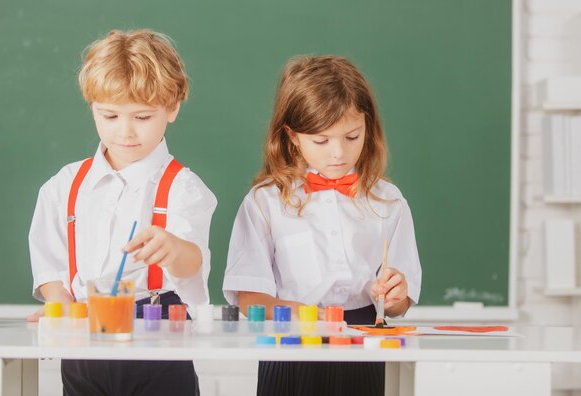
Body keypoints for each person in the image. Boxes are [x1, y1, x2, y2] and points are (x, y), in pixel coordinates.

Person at [28, 29, 216, 395]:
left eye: (143, 117)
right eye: (110, 115)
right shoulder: (65, 185)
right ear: (92, 107)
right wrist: (59, 303)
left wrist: (173, 249)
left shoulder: (182, 187)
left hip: (158, 337)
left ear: (172, 107)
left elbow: (193, 264)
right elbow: (50, 265)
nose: (125, 132)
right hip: (83, 342)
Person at [223, 55, 421, 395]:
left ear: (368, 128)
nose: (338, 153)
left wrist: (394, 295)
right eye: (321, 140)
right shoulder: (265, 202)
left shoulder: (389, 201)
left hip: (364, 345)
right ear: (292, 136)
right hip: (289, 342)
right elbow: (249, 295)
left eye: (352, 137)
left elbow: (401, 302)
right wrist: (311, 317)